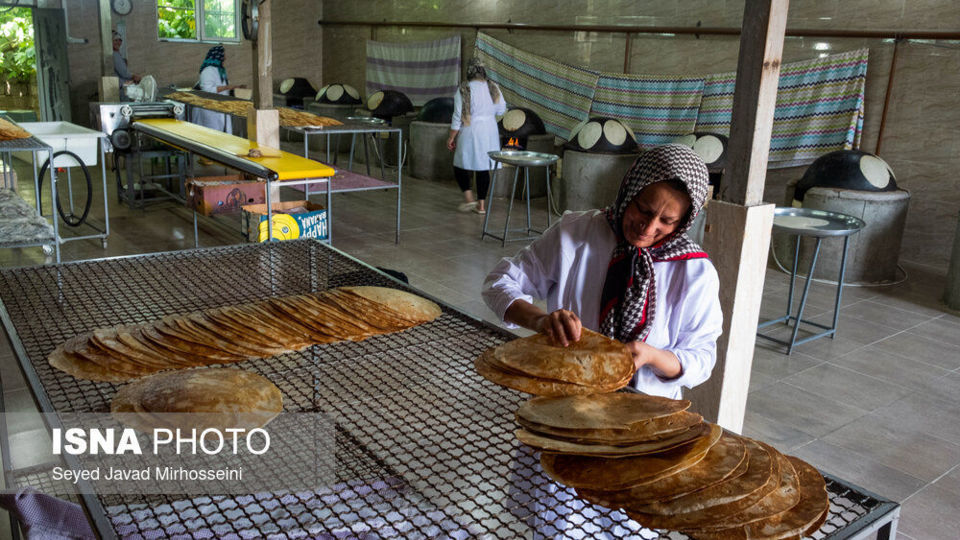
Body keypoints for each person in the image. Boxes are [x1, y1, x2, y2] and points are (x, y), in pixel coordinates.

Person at [482, 144, 722, 399]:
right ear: (630, 190)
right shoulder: (576, 233)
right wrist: (540, 321)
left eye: (667, 221)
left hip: (646, 409)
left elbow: (703, 357)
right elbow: (499, 283)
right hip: (565, 399)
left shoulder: (694, 271)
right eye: (644, 209)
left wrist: (653, 356)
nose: (648, 227)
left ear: (684, 222)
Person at [446, 58, 506, 215]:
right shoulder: (493, 87)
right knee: (483, 167)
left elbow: (458, 115)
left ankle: (469, 198)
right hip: (490, 130)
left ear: (469, 72)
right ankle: (481, 206)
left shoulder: (463, 89)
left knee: (459, 165)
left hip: (470, 129)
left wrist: (451, 137)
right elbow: (501, 110)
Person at [191, 45, 244, 133]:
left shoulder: (220, 70)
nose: (225, 57)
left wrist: (235, 88)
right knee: (210, 133)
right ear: (218, 56)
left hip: (220, 107)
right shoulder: (208, 71)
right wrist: (228, 87)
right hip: (209, 108)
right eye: (224, 54)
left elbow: (223, 87)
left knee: (221, 132)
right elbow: (207, 90)